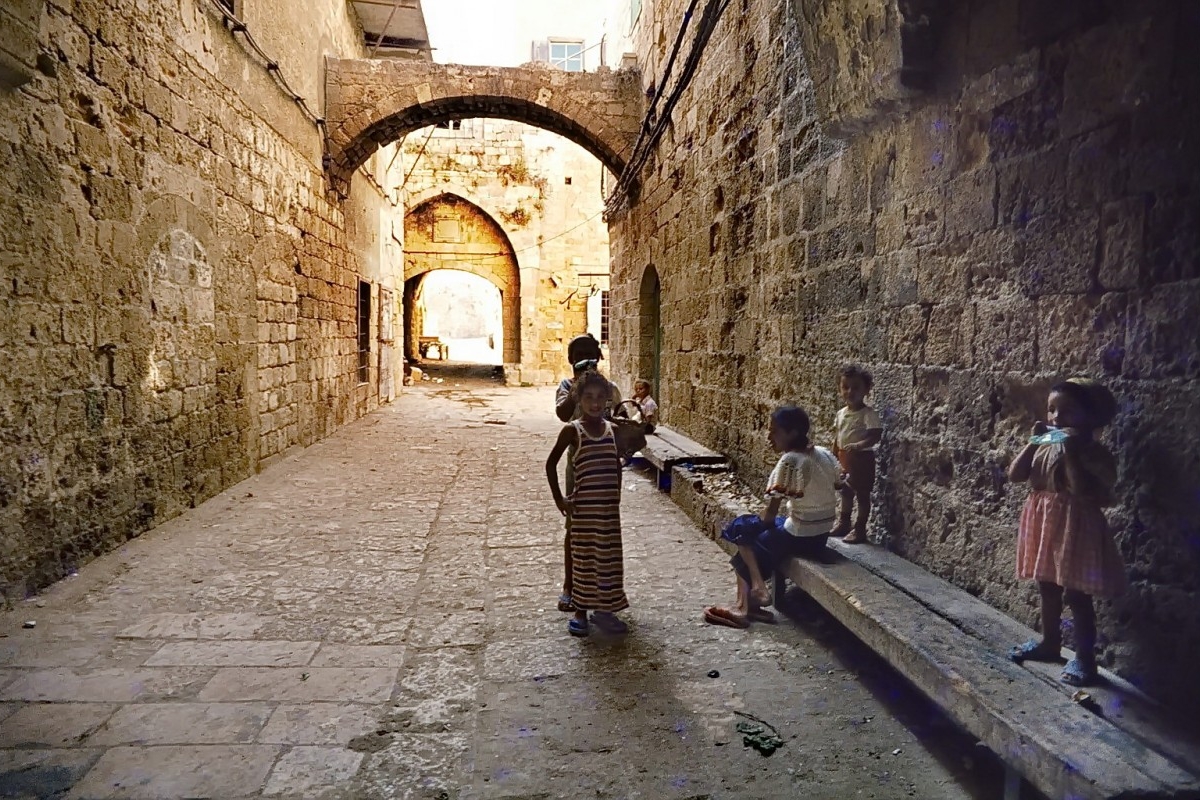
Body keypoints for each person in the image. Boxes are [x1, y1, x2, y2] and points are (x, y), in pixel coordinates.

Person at [1007, 378, 1124, 687]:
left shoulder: (1093, 453)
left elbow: (1083, 490)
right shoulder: (1047, 445)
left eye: (1067, 412)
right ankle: (1050, 642)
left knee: (1076, 593)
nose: (1056, 419)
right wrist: (1032, 444)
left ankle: (1085, 659)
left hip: (1076, 524)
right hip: (1046, 521)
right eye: (1052, 410)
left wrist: (1071, 452)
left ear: (1090, 418)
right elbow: (1016, 475)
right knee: (1047, 584)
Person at [703, 406, 843, 628]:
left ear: (793, 433)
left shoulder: (791, 461)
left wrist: (752, 524)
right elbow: (840, 484)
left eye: (775, 431)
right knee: (751, 536)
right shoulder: (823, 454)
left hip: (800, 536)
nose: (769, 437)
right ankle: (754, 595)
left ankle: (745, 605)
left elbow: (769, 517)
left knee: (741, 530)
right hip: (820, 535)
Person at [546, 369, 630, 637]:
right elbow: (550, 464)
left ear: (607, 399)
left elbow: (616, 464)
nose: (595, 403)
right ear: (579, 399)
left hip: (607, 514)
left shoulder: (612, 430)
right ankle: (580, 612)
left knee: (608, 560)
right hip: (583, 514)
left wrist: (615, 495)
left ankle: (605, 611)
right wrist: (560, 498)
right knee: (584, 560)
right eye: (588, 397)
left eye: (600, 398)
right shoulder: (573, 431)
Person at [553, 334, 622, 613]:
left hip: (605, 468)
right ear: (571, 361)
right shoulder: (567, 387)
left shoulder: (607, 389)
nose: (585, 360)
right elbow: (562, 413)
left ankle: (602, 593)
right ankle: (571, 587)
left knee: (604, 530)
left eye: (590, 354)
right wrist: (576, 389)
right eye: (579, 355)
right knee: (575, 529)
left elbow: (619, 416)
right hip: (579, 466)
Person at [831, 364, 883, 544]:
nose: (850, 392)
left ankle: (860, 528)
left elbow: (875, 435)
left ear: (866, 390)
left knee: (861, 493)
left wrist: (860, 445)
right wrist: (835, 453)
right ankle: (844, 522)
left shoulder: (868, 414)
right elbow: (838, 434)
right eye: (845, 387)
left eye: (856, 388)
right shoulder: (841, 414)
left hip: (862, 459)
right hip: (845, 457)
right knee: (845, 491)